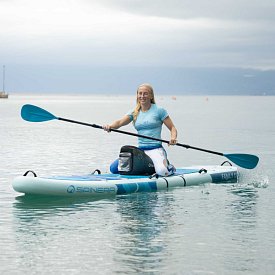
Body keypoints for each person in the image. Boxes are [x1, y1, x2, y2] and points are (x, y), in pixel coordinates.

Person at [103, 83, 178, 176]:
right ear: (137, 95)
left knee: (162, 172)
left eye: (145, 93)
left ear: (151, 96)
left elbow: (172, 128)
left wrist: (173, 138)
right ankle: (150, 168)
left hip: (155, 149)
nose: (142, 96)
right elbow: (119, 123)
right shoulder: (134, 112)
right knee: (114, 168)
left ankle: (169, 167)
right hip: (141, 151)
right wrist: (109, 126)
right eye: (140, 93)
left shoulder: (159, 111)